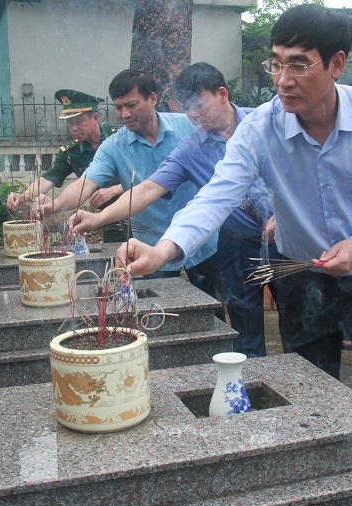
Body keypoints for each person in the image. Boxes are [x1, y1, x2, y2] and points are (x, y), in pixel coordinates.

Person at [116, 4, 352, 455]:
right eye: (277, 62)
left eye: (299, 64)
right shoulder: (260, 129)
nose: (283, 79)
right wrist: (162, 250)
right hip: (301, 277)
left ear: (337, 63)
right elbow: (215, 196)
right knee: (312, 397)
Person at [69, 62, 286, 357]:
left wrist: (285, 214)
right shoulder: (190, 149)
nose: (193, 114)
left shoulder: (266, 124)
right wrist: (98, 218)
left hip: (288, 240)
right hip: (237, 243)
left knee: (300, 320)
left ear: (222, 94)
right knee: (244, 327)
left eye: (199, 104)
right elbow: (146, 189)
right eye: (186, 107)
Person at [36, 69, 225, 320]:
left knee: (212, 315)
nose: (125, 114)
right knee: (157, 318)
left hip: (203, 241)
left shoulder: (188, 126)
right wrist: (57, 204)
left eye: (132, 105)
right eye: (118, 107)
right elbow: (86, 183)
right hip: (150, 248)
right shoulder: (114, 147)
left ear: (153, 99)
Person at [5, 89, 124, 242]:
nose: (73, 128)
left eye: (78, 122)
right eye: (69, 122)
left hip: (143, 209)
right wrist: (23, 197)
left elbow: (148, 174)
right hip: (111, 219)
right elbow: (48, 179)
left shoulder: (120, 137)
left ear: (95, 117)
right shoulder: (71, 152)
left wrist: (115, 190)